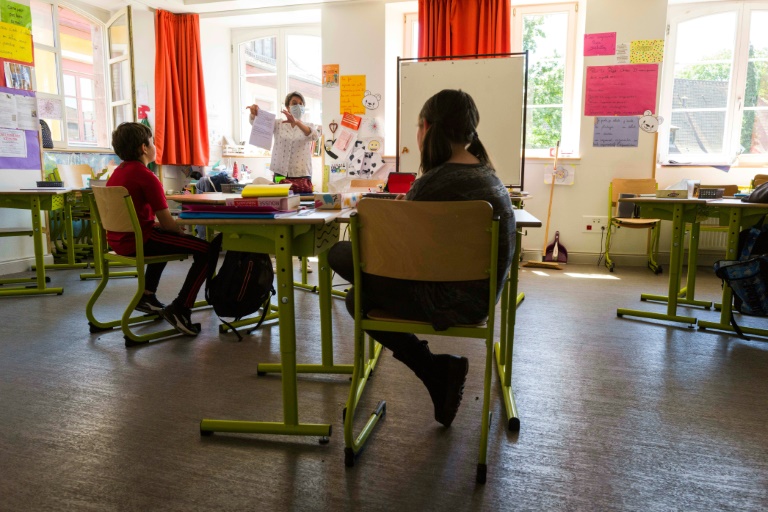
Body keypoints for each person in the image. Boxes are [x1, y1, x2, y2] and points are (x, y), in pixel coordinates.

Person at [328, 89, 516, 428]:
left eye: (418, 126)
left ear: (427, 127)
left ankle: (435, 369)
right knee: (358, 294)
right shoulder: (490, 178)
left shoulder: (432, 183)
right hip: (479, 302)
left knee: (341, 258)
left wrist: (396, 214)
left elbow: (394, 254)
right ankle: (436, 373)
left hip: (440, 299)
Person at [106, 122, 211, 336]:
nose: (155, 146)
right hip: (139, 241)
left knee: (163, 236)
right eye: (152, 142)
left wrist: (167, 229)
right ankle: (181, 308)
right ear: (144, 148)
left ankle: (146, 295)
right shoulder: (146, 176)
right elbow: (168, 224)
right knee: (207, 251)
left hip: (119, 240)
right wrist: (180, 231)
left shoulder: (118, 173)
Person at [245, 91, 321, 191]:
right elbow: (256, 123)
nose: (298, 106)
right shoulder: (278, 124)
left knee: (302, 199)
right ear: (288, 107)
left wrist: (297, 123)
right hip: (280, 172)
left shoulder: (308, 125)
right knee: (280, 199)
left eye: (301, 104)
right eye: (294, 103)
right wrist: (254, 114)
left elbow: (314, 136)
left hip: (302, 173)